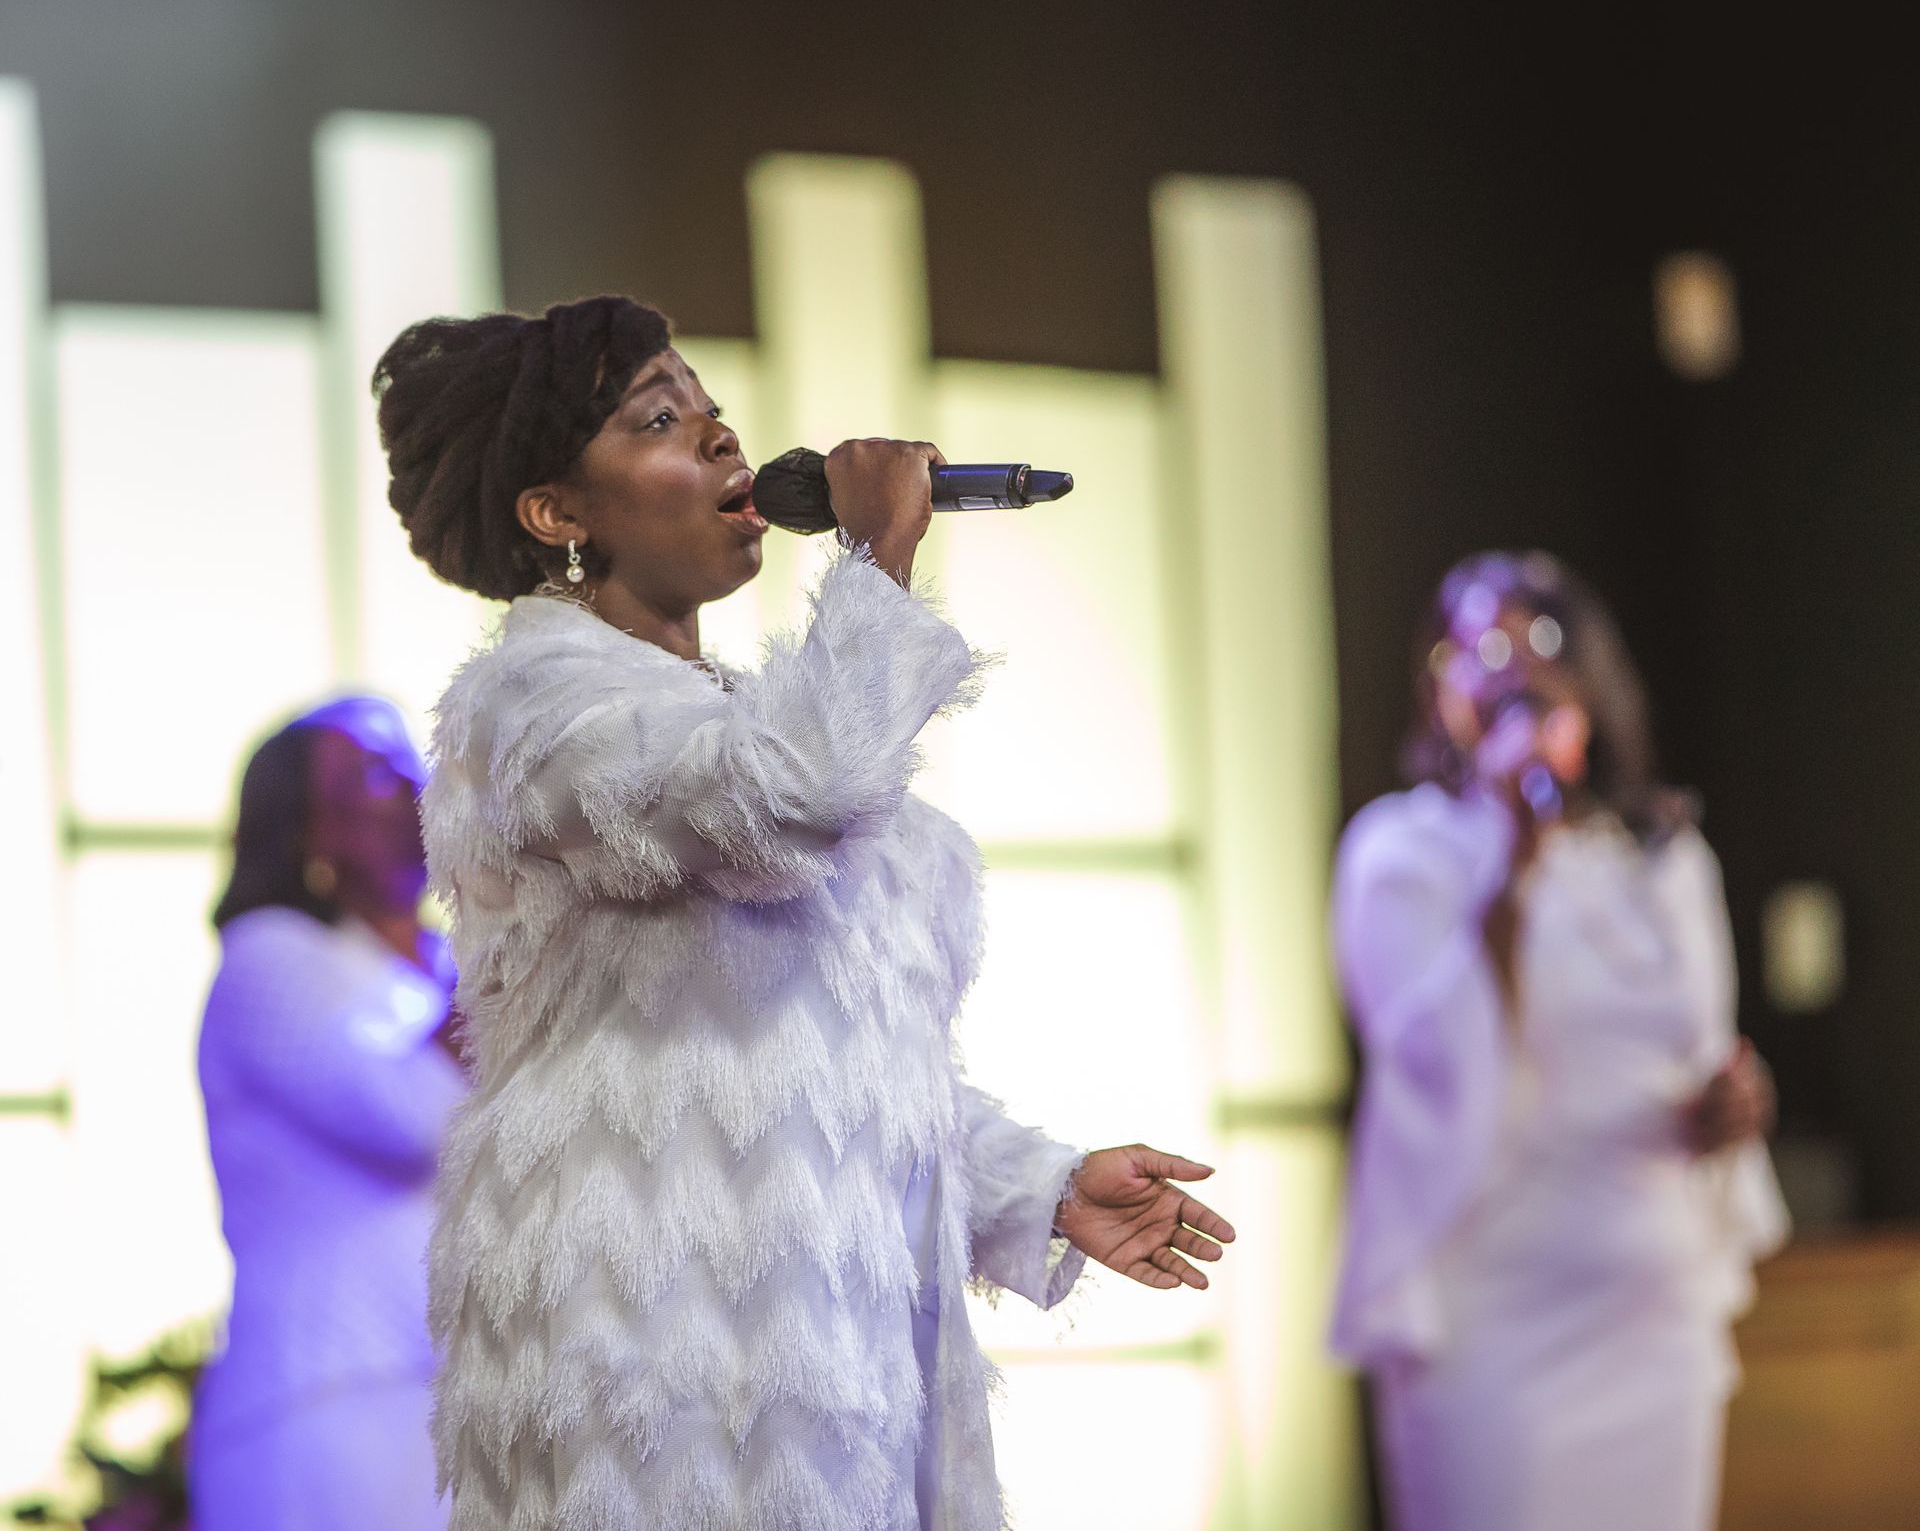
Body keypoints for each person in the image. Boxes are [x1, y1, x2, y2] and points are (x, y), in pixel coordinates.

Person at [371, 294, 1236, 1531]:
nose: (723, 440)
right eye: (660, 419)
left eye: (715, 411)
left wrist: (1037, 1188)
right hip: (652, 1363)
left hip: (832, 1366)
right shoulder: (535, 705)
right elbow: (783, 796)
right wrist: (877, 558)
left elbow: (837, 1066)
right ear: (558, 514)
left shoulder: (735, 706)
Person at [1329, 551, 1790, 1531]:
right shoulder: (1399, 853)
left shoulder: (1661, 858)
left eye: (1537, 646)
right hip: (1493, 1322)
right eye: (1473, 649)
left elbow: (1704, 1048)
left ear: (1585, 686)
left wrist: (1736, 1107)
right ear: (1433, 687)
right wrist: (1511, 866)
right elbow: (1431, 1072)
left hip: (1651, 1319)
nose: (1507, 673)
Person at [192, 697, 468, 1531]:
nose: (418, 784)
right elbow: (417, 1116)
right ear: (308, 828)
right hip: (332, 1393)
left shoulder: (443, 968)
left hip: (463, 1384)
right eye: (378, 772)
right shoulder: (268, 959)